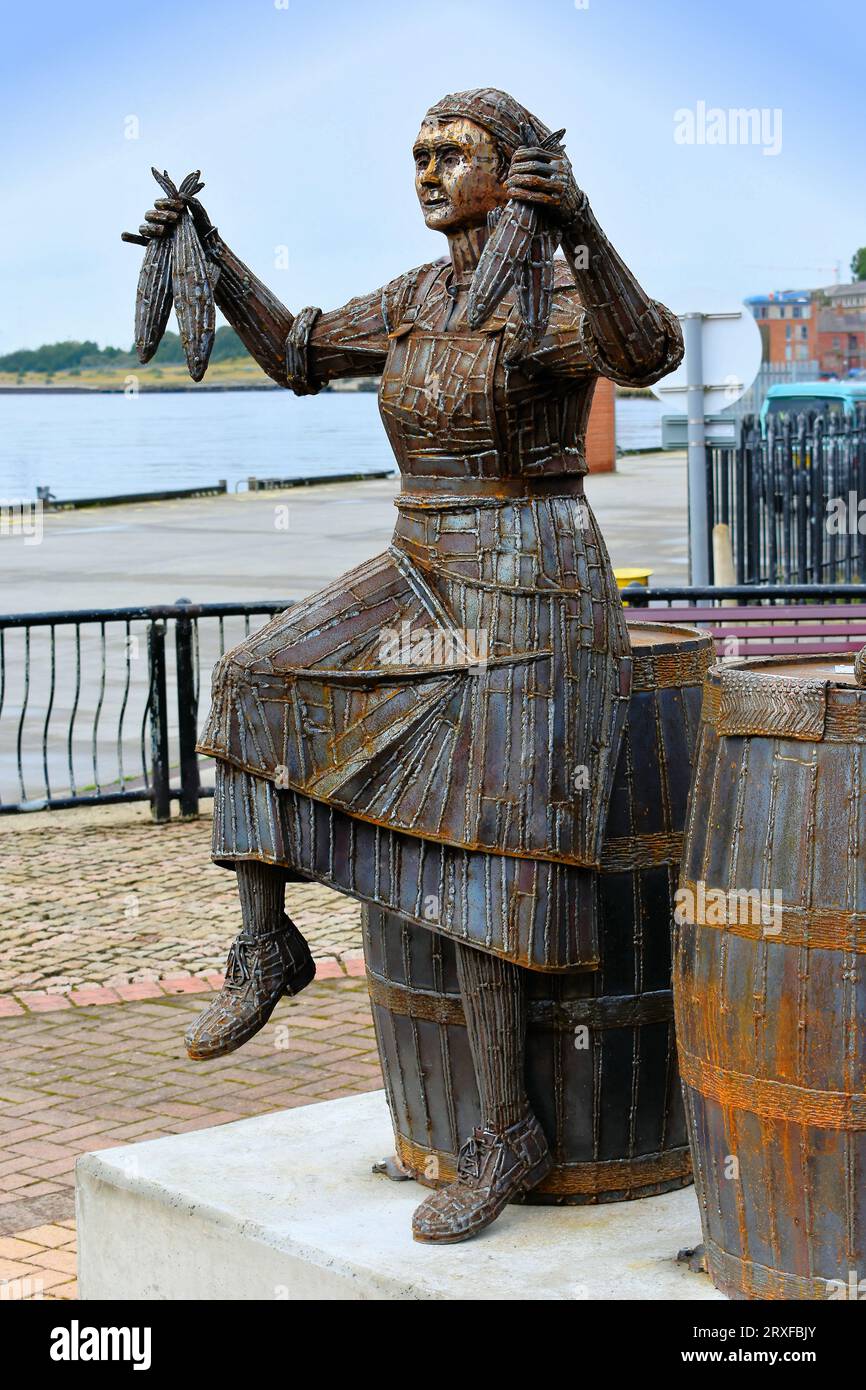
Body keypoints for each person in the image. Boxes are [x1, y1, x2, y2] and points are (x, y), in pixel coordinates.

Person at [134, 88, 682, 1243]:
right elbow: (292, 349)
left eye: (453, 154)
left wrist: (583, 224)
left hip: (530, 585)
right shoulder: (420, 295)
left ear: (514, 168)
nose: (427, 172)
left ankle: (504, 1132)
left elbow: (650, 352)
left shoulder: (553, 297)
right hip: (421, 559)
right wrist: (211, 250)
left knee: (485, 855)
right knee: (250, 680)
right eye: (419, 154)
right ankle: (266, 941)